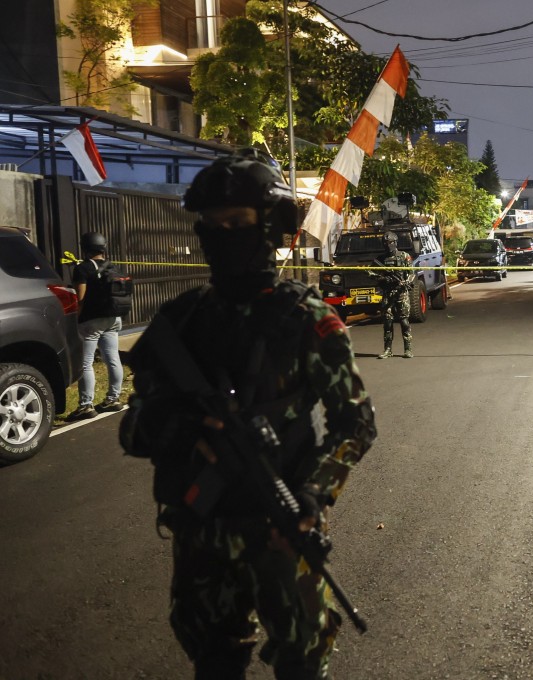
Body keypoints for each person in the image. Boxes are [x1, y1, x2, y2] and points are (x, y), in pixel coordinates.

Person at [119, 150, 377, 679]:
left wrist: (313, 496)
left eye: (237, 223)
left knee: (302, 658)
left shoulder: (308, 320)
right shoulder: (180, 322)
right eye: (212, 226)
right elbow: (134, 425)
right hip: (202, 530)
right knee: (212, 657)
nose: (223, 235)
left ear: (271, 227)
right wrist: (182, 427)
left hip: (278, 527)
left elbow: (356, 423)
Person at [66, 231, 125, 420]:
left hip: (92, 321)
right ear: (103, 248)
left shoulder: (82, 269)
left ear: (85, 248)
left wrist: (77, 320)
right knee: (112, 358)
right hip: (114, 318)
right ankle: (113, 399)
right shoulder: (113, 267)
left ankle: (85, 405)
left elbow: (80, 299)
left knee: (86, 363)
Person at [371, 231, 414, 359]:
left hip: (401, 293)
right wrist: (382, 278)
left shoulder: (404, 256)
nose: (388, 245)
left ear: (395, 243)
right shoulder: (380, 259)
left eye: (390, 242)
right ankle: (388, 350)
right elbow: (370, 273)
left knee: (404, 321)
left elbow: (412, 273)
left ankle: (408, 349)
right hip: (387, 293)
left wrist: (406, 282)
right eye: (385, 243)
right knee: (387, 323)